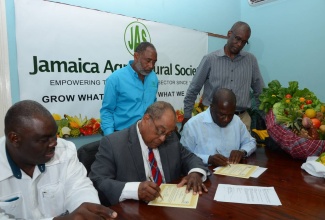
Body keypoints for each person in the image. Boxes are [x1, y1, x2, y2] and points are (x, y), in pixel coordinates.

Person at [0, 100, 117, 220]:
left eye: (54, 135)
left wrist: (87, 212)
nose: (54, 143)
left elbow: (79, 188)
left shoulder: (65, 150)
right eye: (44, 139)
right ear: (15, 139)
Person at [89, 101, 208, 206]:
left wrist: (195, 173)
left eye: (168, 133)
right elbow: (98, 180)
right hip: (134, 211)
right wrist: (135, 190)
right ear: (146, 119)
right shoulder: (113, 143)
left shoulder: (170, 139)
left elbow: (190, 158)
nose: (163, 138)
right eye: (160, 131)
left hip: (171, 207)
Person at [181, 21, 265, 132]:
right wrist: (187, 116)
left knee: (243, 149)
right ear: (229, 34)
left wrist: (266, 119)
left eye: (244, 42)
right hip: (213, 120)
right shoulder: (210, 59)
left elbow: (260, 93)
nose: (239, 44)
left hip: (242, 120)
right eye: (237, 39)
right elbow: (193, 89)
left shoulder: (251, 61)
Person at [180, 88, 256, 167]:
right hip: (204, 173)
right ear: (212, 107)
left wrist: (242, 151)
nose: (226, 119)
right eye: (222, 115)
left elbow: (251, 142)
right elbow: (183, 156)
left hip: (231, 173)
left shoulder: (236, 121)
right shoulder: (192, 126)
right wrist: (208, 159)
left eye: (230, 115)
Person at [100, 41, 159, 135]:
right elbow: (107, 111)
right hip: (123, 134)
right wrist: (110, 139)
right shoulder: (115, 79)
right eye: (148, 61)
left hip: (147, 133)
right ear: (136, 56)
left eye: (154, 62)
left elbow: (153, 104)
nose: (151, 66)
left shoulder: (153, 77)